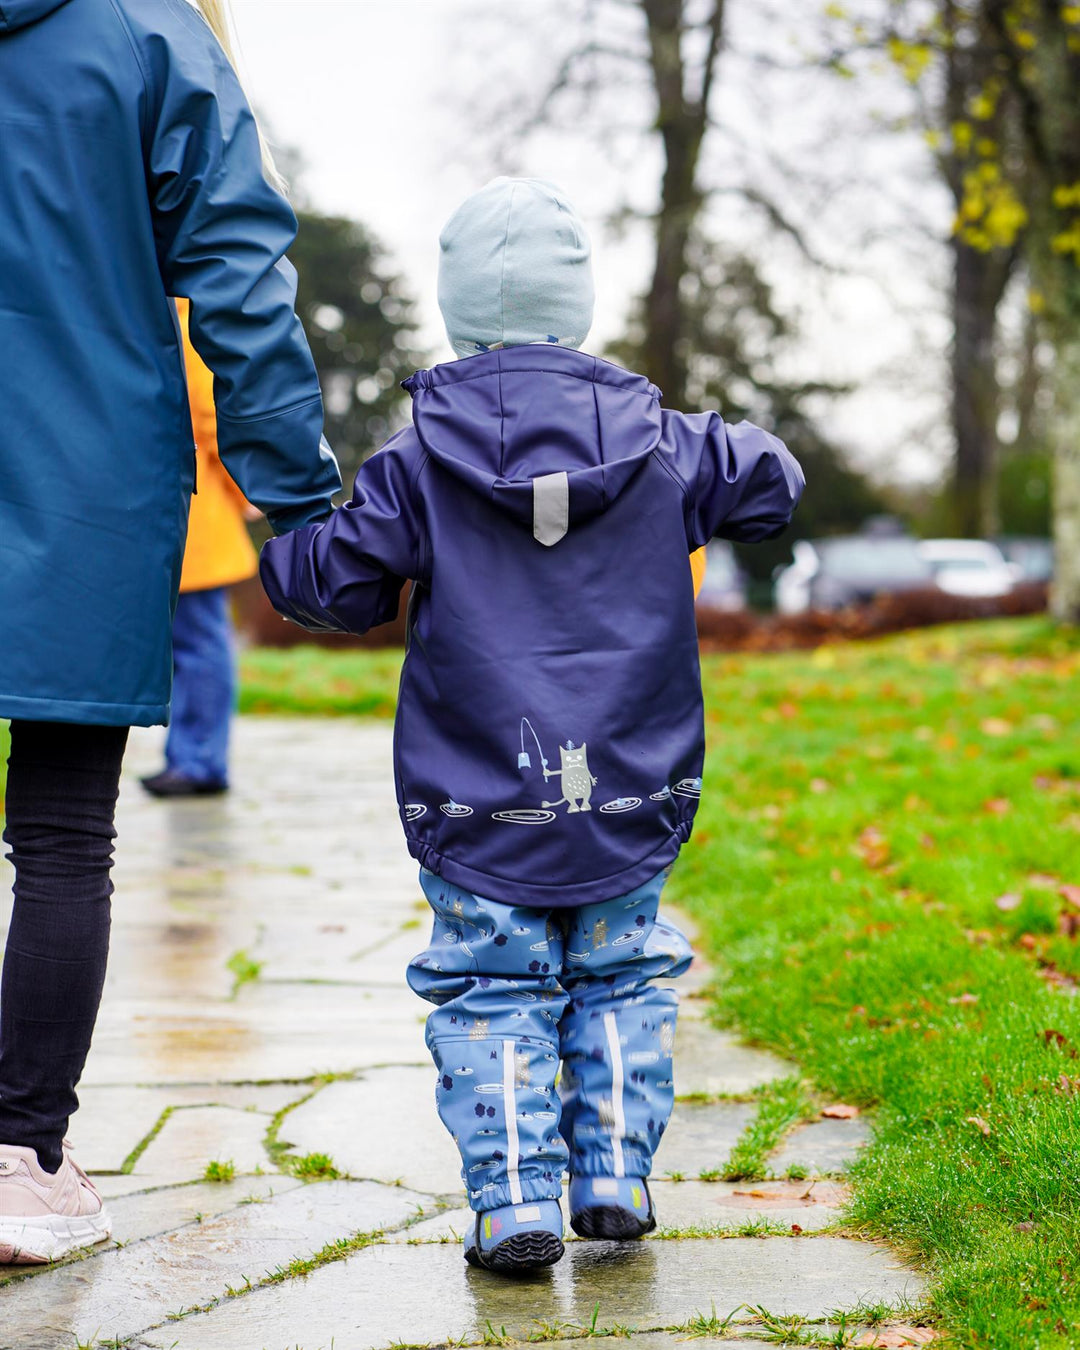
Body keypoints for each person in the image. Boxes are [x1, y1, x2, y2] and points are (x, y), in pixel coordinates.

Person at [260, 178, 804, 1274]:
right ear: (580, 306)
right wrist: (699, 463)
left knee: (489, 983)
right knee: (623, 974)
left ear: (459, 313)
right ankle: (612, 1172)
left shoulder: (418, 465)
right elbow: (775, 482)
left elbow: (335, 585)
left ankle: (513, 1199)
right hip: (629, 785)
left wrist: (282, 531)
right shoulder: (667, 443)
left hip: (479, 794)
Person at [0, 0, 340, 1265]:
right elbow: (239, 273)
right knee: (61, 837)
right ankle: (23, 1159)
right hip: (79, 476)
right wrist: (298, 504)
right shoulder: (155, 29)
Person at [142, 300, 258, 798]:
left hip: (195, 510)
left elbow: (211, 418)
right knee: (193, 644)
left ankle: (201, 763)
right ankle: (189, 757)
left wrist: (242, 492)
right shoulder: (185, 315)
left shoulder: (178, 318)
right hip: (191, 509)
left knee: (199, 643)